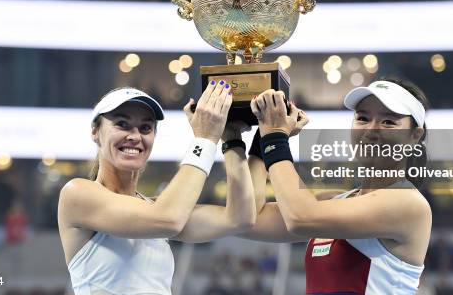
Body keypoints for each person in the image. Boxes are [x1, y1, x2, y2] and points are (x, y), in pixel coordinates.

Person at [58, 81, 256, 295]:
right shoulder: (77, 193)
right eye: (122, 124)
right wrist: (205, 139)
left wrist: (232, 138)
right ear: (95, 132)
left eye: (145, 128)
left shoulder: (156, 210)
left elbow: (239, 218)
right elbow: (168, 219)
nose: (135, 136)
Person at [242, 77, 432, 294]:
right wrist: (259, 133)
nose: (371, 129)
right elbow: (248, 219)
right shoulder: (331, 201)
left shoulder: (408, 203)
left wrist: (275, 138)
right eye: (362, 118)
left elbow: (300, 218)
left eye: (388, 122)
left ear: (415, 136)